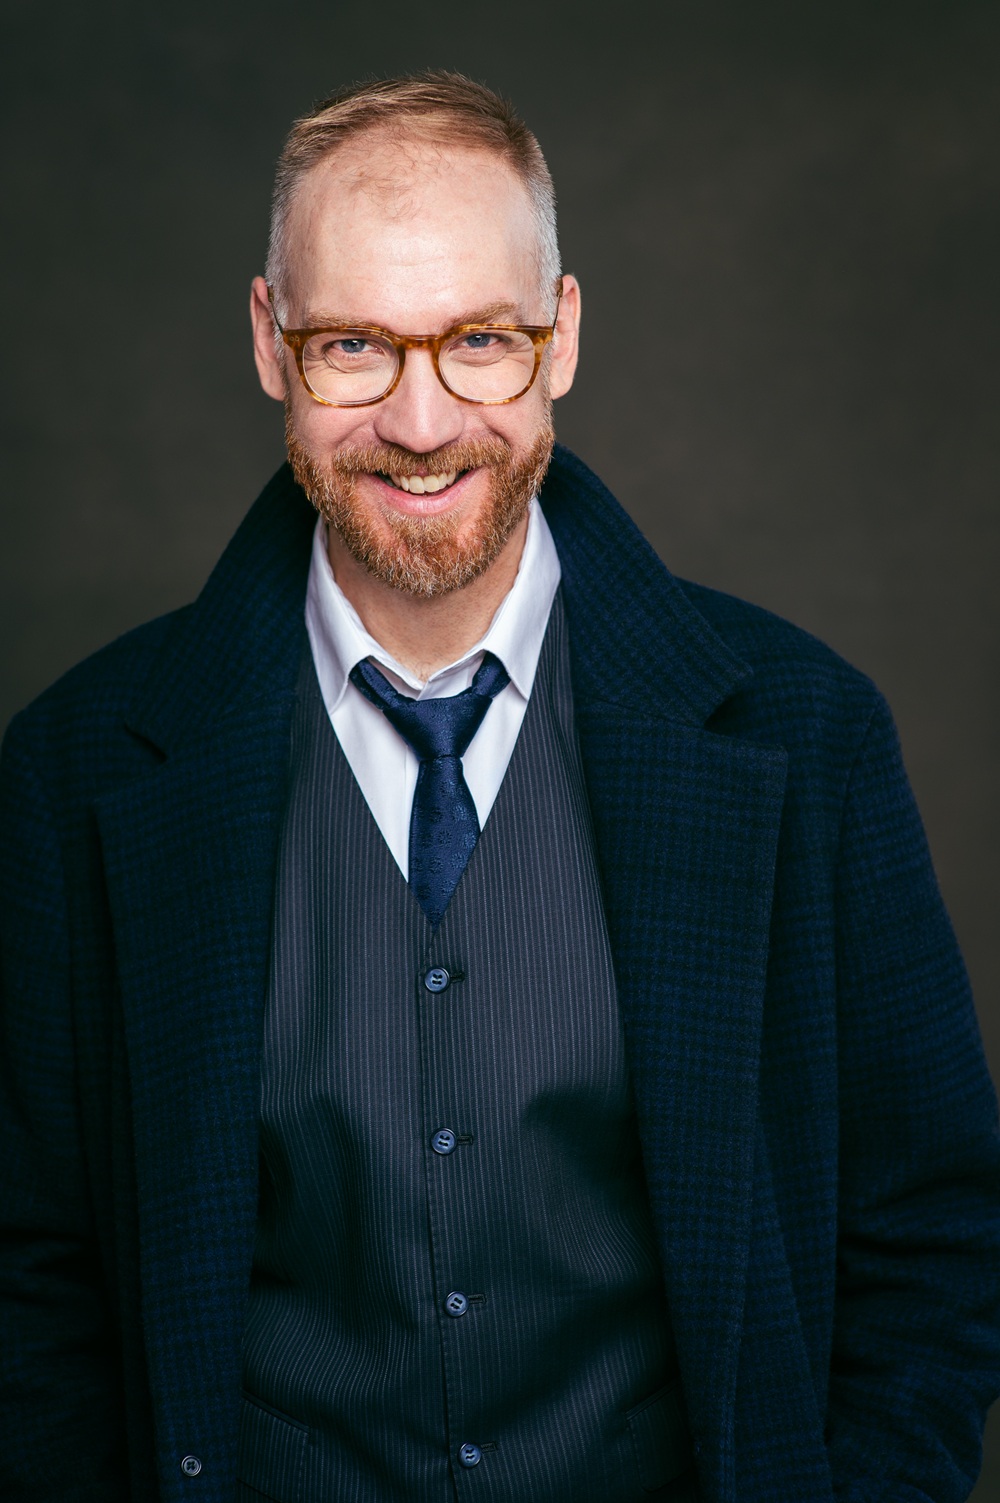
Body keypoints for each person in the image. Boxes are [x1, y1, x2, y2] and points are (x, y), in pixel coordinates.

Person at [1, 70, 998, 1503]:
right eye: (356, 344)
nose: (420, 422)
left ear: (564, 337)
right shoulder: (72, 771)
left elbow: (933, 1236)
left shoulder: (809, 732)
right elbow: (29, 1284)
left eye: (480, 340)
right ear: (272, 344)